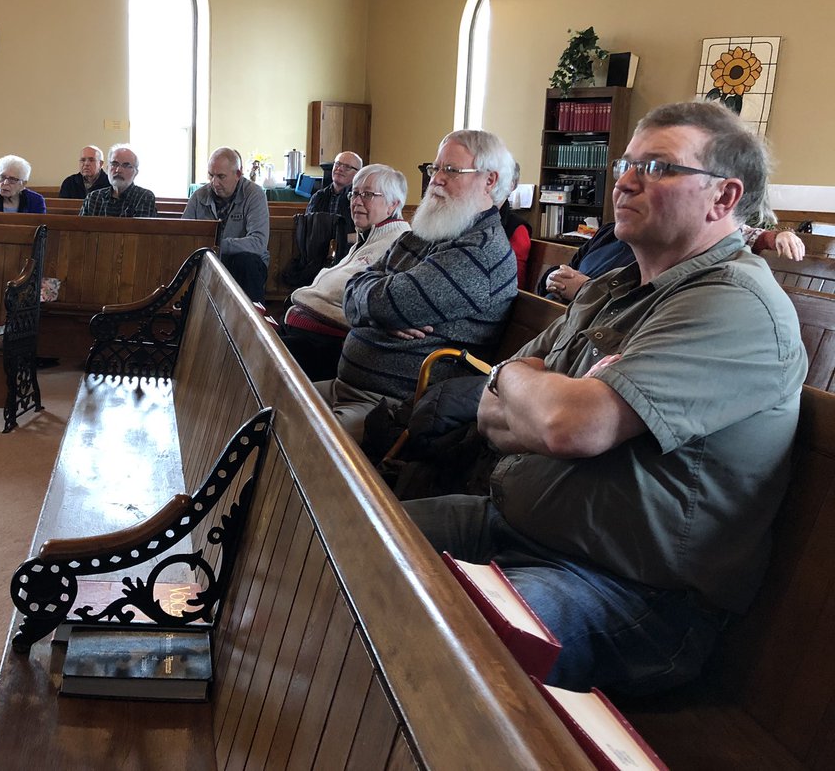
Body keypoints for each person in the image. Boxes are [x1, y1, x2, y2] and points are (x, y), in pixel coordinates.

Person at [404, 101, 807, 697]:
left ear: (723, 198)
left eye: (659, 167)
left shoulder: (737, 304)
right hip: (512, 529)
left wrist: (537, 397)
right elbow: (495, 408)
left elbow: (569, 427)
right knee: (345, 534)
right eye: (627, 163)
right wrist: (528, 388)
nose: (625, 180)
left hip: (628, 595)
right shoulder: (614, 289)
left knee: (451, 651)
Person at [317, 130, 518, 442]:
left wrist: (381, 307)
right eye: (434, 168)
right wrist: (383, 311)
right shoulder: (427, 231)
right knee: (263, 403)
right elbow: (353, 287)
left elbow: (385, 302)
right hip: (346, 386)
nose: (436, 179)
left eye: (450, 170)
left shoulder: (480, 253)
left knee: (293, 437)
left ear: (489, 181)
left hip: (393, 410)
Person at [280, 164, 409, 381]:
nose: (357, 201)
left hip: (330, 348)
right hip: (305, 333)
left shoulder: (399, 244)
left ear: (393, 204)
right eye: (355, 193)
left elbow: (377, 309)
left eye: (367, 194)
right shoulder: (368, 236)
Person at [540, 212, 807, 301]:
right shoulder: (610, 232)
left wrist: (778, 235)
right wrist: (552, 278)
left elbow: (637, 307)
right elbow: (565, 269)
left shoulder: (677, 248)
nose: (627, 185)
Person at [183, 147, 270, 301]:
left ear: (238, 174)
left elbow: (258, 243)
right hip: (208, 262)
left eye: (221, 176)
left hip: (244, 265)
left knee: (246, 262)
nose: (214, 183)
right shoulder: (199, 196)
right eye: (211, 175)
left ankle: (251, 322)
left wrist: (216, 246)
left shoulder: (254, 194)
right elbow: (183, 236)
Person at [79, 144, 157, 217]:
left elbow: (141, 229)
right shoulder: (93, 197)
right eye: (114, 164)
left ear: (135, 173)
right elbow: (80, 229)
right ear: (107, 169)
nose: (118, 170)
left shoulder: (144, 197)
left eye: (126, 165)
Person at [307, 150, 360, 240]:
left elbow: (364, 234)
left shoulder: (359, 199)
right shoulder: (318, 197)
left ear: (358, 173)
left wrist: (342, 240)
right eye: (337, 164)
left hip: (349, 249)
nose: (339, 169)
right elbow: (308, 228)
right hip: (318, 249)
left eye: (347, 167)